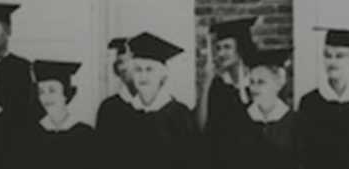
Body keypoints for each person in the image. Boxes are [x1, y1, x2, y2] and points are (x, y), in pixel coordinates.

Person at [95, 32, 197, 169]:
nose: (143, 76)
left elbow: (188, 161)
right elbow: (105, 159)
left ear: (162, 73)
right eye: (138, 70)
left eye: (149, 69)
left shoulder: (179, 114)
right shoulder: (123, 112)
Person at [216, 49, 308, 169]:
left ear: (278, 84)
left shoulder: (298, 124)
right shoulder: (238, 121)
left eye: (261, 82)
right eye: (252, 82)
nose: (254, 88)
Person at [300, 28, 349, 169]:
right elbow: (305, 154)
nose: (332, 62)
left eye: (339, 56)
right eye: (327, 55)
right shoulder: (310, 103)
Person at [200, 17, 262, 168]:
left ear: (241, 48)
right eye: (218, 48)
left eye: (227, 47)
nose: (221, 53)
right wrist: (205, 85)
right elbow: (200, 127)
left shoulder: (258, 82)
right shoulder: (217, 86)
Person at [26, 60, 98, 169]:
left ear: (66, 94)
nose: (46, 97)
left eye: (52, 91)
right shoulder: (32, 133)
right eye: (41, 92)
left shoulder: (85, 134)